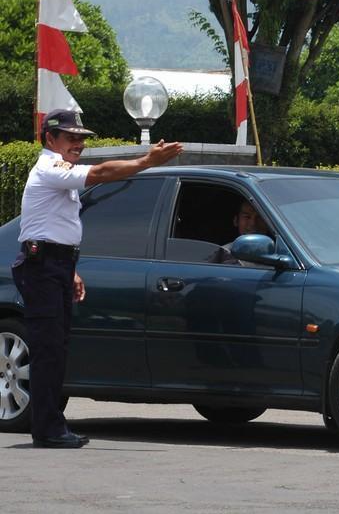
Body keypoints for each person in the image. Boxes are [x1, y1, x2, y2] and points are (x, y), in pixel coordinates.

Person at [12, 109, 182, 449]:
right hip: (43, 267)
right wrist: (147, 160)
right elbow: (102, 173)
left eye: (81, 139)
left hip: (55, 265)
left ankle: (50, 425)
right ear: (50, 139)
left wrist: (70, 270)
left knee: (56, 348)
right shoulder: (50, 167)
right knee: (48, 351)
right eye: (70, 137)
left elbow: (50, 226)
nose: (78, 144)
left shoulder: (60, 173)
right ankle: (47, 429)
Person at [211, 200, 269, 265]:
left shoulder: (279, 254)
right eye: (247, 217)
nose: (253, 223)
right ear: (236, 221)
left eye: (260, 217)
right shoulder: (224, 253)